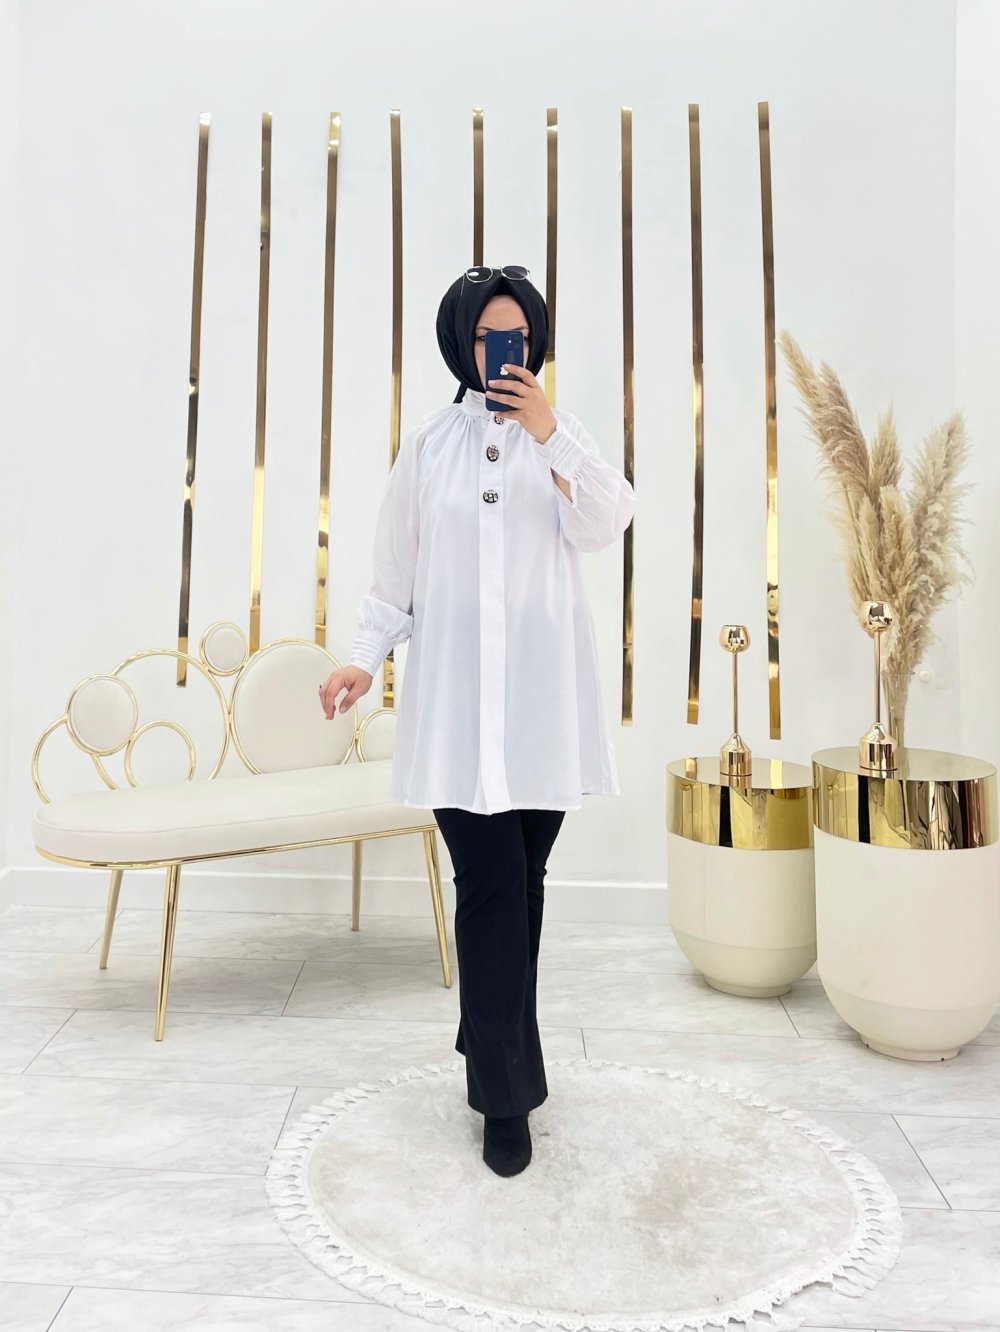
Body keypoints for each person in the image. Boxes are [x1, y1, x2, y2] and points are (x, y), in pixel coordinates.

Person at [318, 264, 635, 1178]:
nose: (508, 352)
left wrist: (550, 432)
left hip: (543, 708)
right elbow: (394, 575)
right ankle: (505, 1098)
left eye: (520, 338)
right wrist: (363, 658)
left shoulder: (560, 439)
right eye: (492, 337)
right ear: (463, 343)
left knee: (523, 884)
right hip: (459, 713)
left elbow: (610, 519)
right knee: (492, 885)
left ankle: (486, 1034)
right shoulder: (429, 447)